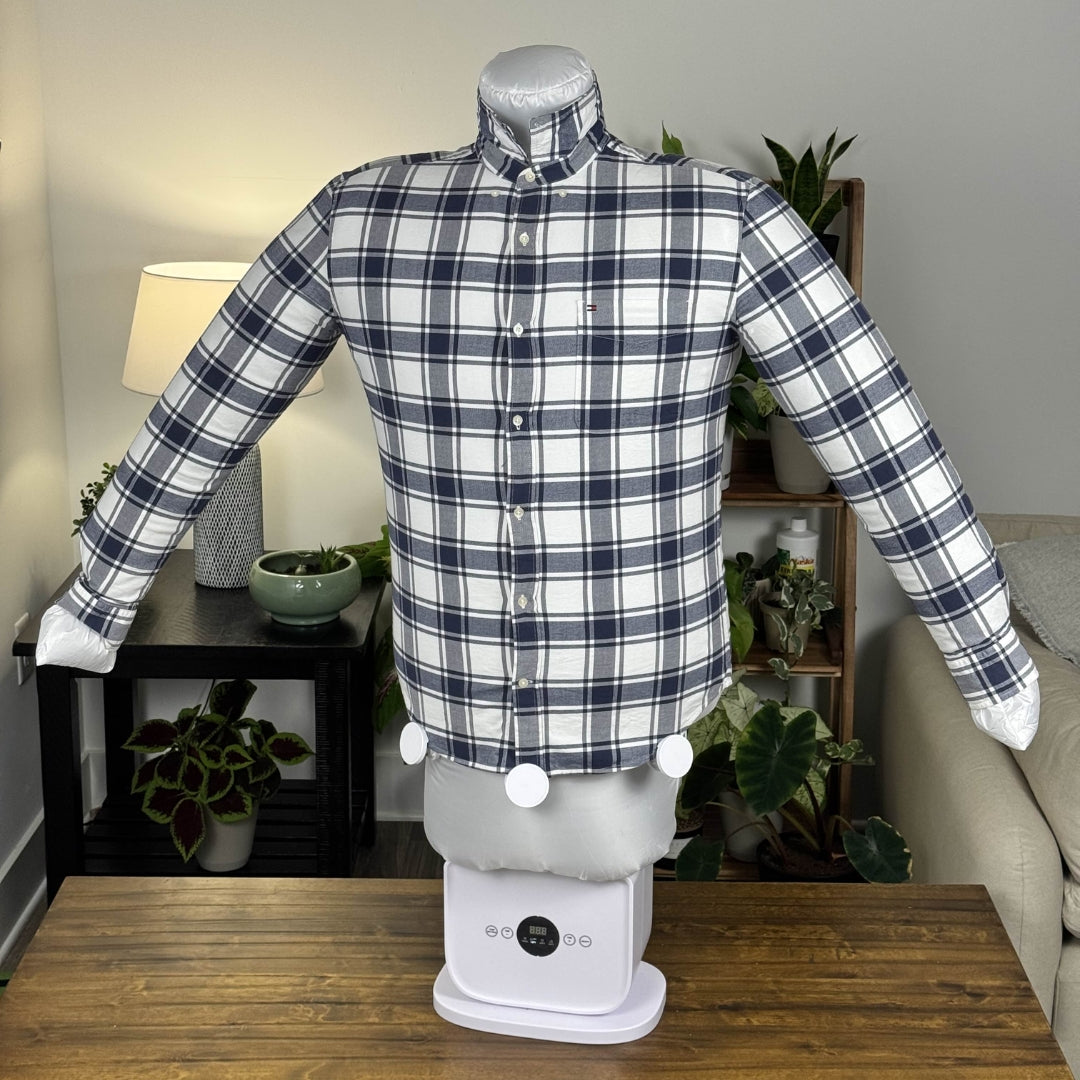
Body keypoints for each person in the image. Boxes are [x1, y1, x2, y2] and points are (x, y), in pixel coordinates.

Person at [37, 45, 1040, 782]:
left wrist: (986, 657)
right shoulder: (364, 212)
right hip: (455, 699)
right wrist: (101, 596)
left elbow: (876, 428)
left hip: (643, 705)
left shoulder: (718, 217)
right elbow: (213, 393)